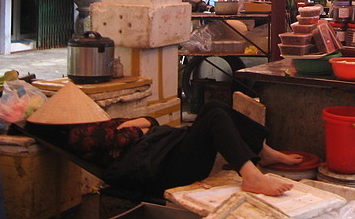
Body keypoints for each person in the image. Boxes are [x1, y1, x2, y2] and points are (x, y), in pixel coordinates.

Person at [28, 83, 301, 198]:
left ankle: (262, 151)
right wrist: (134, 127)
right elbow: (133, 133)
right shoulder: (79, 135)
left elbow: (150, 123)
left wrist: (138, 126)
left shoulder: (93, 127)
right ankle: (251, 173)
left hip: (164, 153)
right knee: (214, 117)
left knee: (213, 107)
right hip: (161, 170)